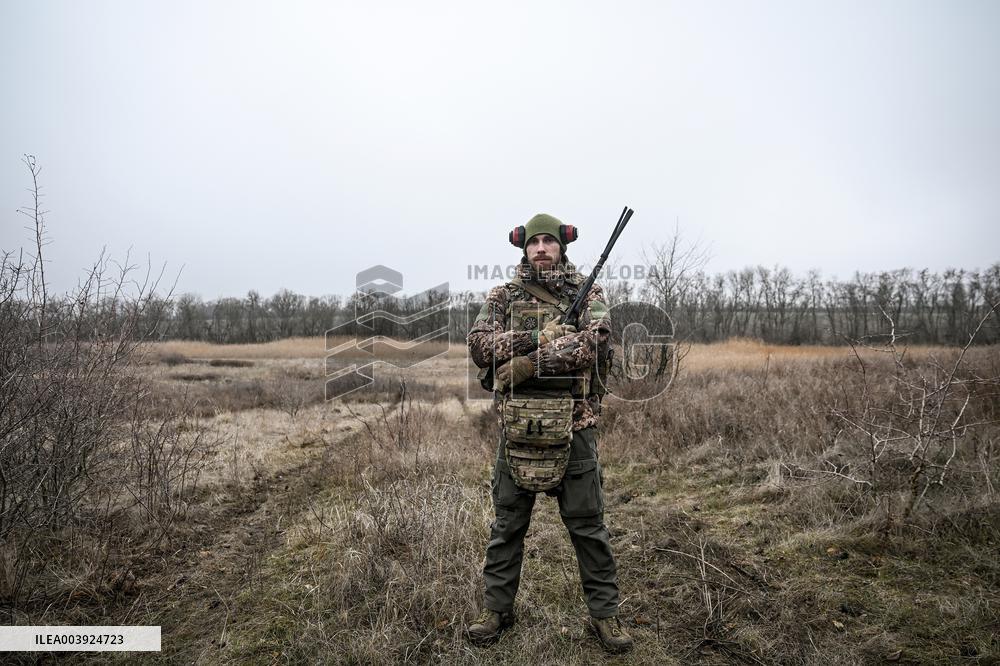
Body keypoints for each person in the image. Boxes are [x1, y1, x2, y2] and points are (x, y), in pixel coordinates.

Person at [465, 213, 633, 653]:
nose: (542, 248)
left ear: (563, 247)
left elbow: (593, 342)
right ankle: (496, 610)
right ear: (524, 247)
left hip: (575, 426)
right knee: (507, 525)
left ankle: (605, 615)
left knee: (588, 526)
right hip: (517, 426)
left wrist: (529, 364)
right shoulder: (502, 295)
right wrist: (538, 337)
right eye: (535, 241)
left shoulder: (587, 292)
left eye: (550, 242)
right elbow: (480, 345)